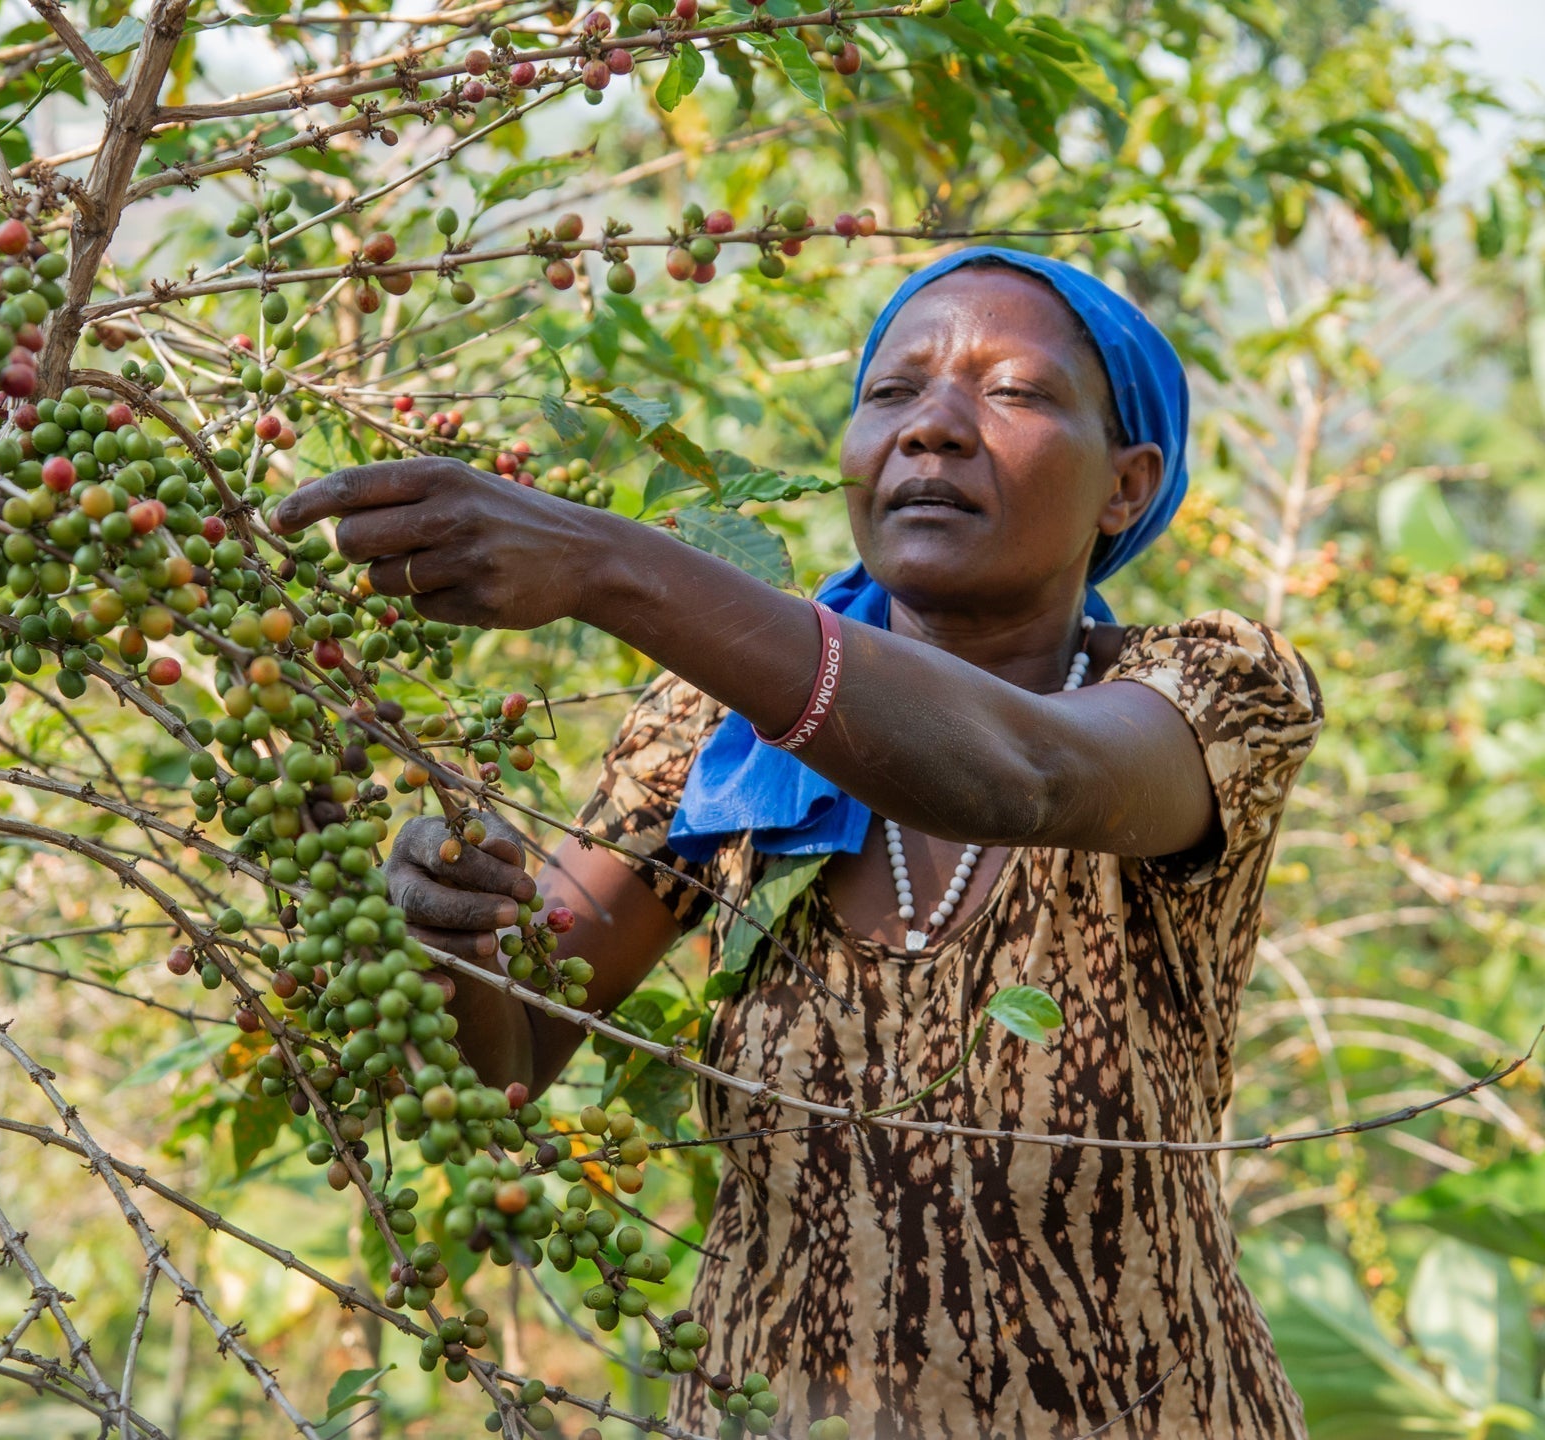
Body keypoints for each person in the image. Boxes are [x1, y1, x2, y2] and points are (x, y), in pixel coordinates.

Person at [270, 246, 1321, 1438]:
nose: (934, 428)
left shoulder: (1216, 692)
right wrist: (432, 920)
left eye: (1014, 392)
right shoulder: (718, 737)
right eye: (891, 393)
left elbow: (1024, 775)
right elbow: (497, 1060)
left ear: (1126, 487)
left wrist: (607, 562)